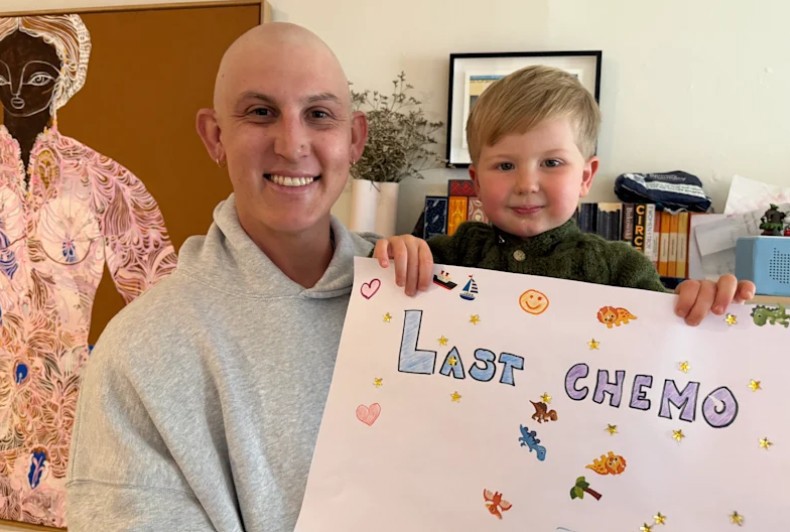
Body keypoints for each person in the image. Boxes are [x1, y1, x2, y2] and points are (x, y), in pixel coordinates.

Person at [65, 23, 370, 530]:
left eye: (318, 115)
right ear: (215, 136)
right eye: (260, 112)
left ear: (354, 138)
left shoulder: (420, 304)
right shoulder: (141, 351)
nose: (292, 144)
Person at [375, 65, 754, 323]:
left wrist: (700, 304)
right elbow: (387, 302)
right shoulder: (450, 255)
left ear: (586, 176)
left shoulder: (619, 269)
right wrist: (399, 255)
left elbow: (664, 343)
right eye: (505, 166)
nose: (526, 184)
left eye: (551, 163)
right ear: (475, 182)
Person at [0, 15, 175, 527]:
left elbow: (164, 305)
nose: (16, 91)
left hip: (70, 413)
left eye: (36, 76)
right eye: (3, 75)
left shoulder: (105, 181)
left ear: (64, 79)